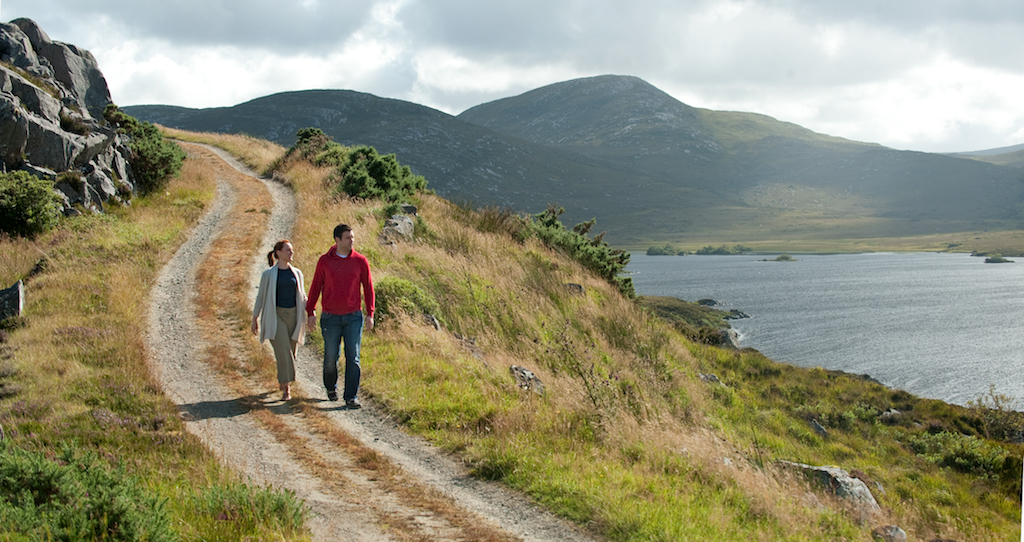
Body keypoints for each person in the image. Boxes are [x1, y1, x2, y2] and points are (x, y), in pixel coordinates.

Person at [306, 224, 375, 408]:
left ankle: (351, 396)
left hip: (353, 317)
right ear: (337, 240)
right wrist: (310, 311)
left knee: (353, 357)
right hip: (330, 318)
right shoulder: (324, 261)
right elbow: (315, 287)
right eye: (347, 238)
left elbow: (368, 288)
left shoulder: (360, 261)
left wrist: (370, 313)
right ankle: (331, 387)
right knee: (330, 357)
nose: (351, 240)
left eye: (352, 237)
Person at [252, 240, 307, 401]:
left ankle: (284, 380)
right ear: (279, 253)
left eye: (292, 250)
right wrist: (255, 318)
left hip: (294, 315)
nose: (292, 253)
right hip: (275, 316)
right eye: (288, 250)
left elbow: (302, 295)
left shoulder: (297, 273)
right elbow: (261, 297)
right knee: (283, 350)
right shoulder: (268, 274)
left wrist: (311, 313)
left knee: (290, 352)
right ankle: (287, 388)